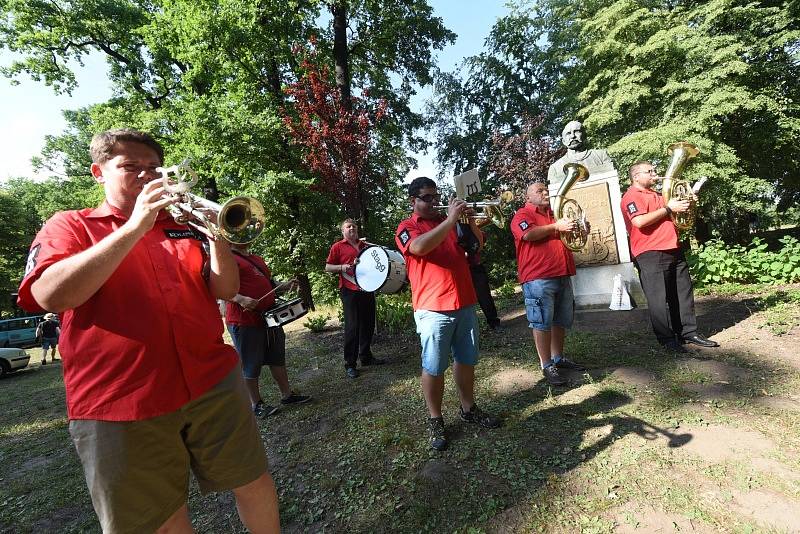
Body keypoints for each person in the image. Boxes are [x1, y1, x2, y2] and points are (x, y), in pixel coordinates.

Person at [17, 129, 279, 533]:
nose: (146, 176)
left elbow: (225, 291)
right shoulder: (69, 225)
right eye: (130, 167)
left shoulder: (183, 226)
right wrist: (135, 226)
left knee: (253, 479)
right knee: (161, 520)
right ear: (98, 172)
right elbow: (50, 295)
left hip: (210, 379)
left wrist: (218, 240)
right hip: (122, 399)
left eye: (154, 168)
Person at [395, 177, 501, 451]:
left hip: (464, 301)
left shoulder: (452, 222)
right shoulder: (407, 227)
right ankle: (435, 419)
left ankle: (468, 408)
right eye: (426, 198)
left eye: (435, 196)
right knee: (434, 366)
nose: (433, 202)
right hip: (432, 307)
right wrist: (451, 220)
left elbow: (477, 246)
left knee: (466, 360)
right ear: (413, 201)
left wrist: (470, 222)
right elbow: (419, 248)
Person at [621, 161, 720, 352]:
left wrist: (687, 204)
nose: (655, 174)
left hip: (673, 246)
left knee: (682, 294)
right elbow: (639, 221)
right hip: (650, 252)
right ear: (636, 176)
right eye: (649, 171)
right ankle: (667, 340)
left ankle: (688, 333)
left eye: (654, 170)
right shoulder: (630, 197)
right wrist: (668, 208)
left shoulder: (659, 195)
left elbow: (675, 217)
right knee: (658, 299)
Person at [511, 181, 587, 387]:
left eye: (546, 189)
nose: (545, 193)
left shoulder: (555, 213)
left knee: (560, 320)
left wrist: (580, 228)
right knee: (541, 322)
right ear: (528, 197)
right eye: (539, 191)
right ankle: (546, 365)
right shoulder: (522, 215)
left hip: (562, 272)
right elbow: (528, 235)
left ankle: (558, 358)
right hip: (538, 277)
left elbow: (571, 238)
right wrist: (556, 226)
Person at [226, 242, 311, 415]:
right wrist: (240, 299)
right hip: (244, 320)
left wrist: (284, 285)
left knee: (276, 357)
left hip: (269, 318)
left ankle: (287, 395)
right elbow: (221, 287)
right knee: (250, 364)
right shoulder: (227, 259)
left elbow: (269, 283)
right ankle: (256, 404)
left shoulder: (256, 259)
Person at [325, 219, 383, 378]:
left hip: (366, 288)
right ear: (343, 231)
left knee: (368, 323)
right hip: (349, 290)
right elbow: (328, 267)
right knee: (353, 327)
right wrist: (343, 267)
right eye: (348, 226)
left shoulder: (366, 246)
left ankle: (366, 357)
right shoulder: (337, 246)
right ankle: (350, 364)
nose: (352, 228)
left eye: (354, 226)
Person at [547, 120, 615, 184]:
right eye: (568, 133)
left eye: (577, 131)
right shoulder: (555, 168)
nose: (573, 136)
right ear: (563, 141)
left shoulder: (601, 156)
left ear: (585, 135)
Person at [467, 229, 501, 329]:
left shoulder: (469, 226)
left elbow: (482, 238)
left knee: (484, 295)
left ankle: (494, 322)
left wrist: (472, 224)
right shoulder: (447, 225)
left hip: (475, 266)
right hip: (459, 268)